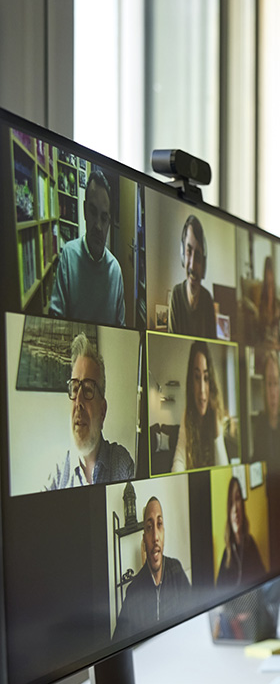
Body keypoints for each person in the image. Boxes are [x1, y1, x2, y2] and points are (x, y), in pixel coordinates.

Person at [44, 332, 135, 489]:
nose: (78, 401)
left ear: (102, 411)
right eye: (74, 388)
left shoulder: (121, 463)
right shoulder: (56, 471)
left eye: (87, 389)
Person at [47, 168, 125, 326]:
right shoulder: (68, 257)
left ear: (109, 221)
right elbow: (55, 319)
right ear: (84, 210)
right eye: (92, 212)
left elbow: (121, 329)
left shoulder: (115, 271)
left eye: (104, 218)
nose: (98, 226)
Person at [113, 497, 191, 638]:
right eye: (149, 527)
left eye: (159, 524)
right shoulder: (133, 591)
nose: (155, 536)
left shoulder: (176, 570)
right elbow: (118, 645)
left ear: (164, 533)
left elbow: (194, 621)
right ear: (144, 539)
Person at [172, 339, 229, 472]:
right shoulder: (188, 414)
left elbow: (225, 471)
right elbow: (179, 460)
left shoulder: (219, 416)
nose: (202, 390)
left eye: (206, 378)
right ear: (191, 382)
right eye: (197, 377)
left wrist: (216, 430)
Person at [167, 214, 217, 338]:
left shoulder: (207, 299)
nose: (193, 266)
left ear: (204, 263)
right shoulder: (176, 295)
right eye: (189, 252)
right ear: (183, 255)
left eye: (198, 256)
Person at [216, 476, 266, 589]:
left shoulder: (250, 544)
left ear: (243, 506)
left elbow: (263, 580)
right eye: (231, 503)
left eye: (237, 499)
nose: (235, 509)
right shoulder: (227, 553)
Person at [251, 349, 280, 462]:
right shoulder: (259, 425)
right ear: (264, 388)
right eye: (269, 384)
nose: (273, 393)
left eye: (276, 383)